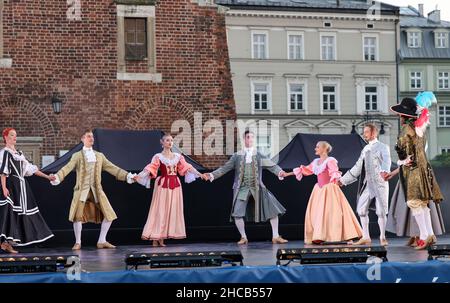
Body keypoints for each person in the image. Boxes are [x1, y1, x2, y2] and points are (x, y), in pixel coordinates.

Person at [50, 130, 136, 250]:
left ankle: (102, 240)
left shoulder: (99, 156)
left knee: (109, 214)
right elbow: (67, 168)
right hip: (82, 191)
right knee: (77, 216)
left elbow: (113, 168)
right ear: (82, 139)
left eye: (92, 137)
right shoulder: (77, 156)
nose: (91, 139)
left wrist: (128, 176)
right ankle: (78, 242)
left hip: (97, 190)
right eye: (89, 137)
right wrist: (58, 176)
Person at [203, 130, 289, 245]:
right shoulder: (236, 156)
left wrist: (280, 172)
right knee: (237, 213)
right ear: (244, 139)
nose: (250, 139)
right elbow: (224, 168)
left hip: (258, 188)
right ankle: (243, 237)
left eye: (252, 137)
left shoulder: (259, 155)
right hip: (242, 188)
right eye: (248, 137)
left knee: (272, 210)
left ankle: (275, 236)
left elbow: (272, 165)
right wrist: (212, 175)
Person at [388, 93, 444, 250]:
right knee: (423, 204)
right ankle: (429, 234)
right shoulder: (419, 128)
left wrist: (401, 161)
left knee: (414, 203)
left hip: (413, 170)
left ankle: (425, 236)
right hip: (425, 168)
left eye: (400, 114)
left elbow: (401, 149)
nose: (398, 116)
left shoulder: (406, 128)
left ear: (404, 115)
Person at [287, 141, 362, 245]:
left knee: (334, 213)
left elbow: (334, 172)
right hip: (319, 190)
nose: (315, 149)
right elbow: (304, 170)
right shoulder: (316, 162)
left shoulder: (330, 161)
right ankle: (320, 236)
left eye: (317, 147)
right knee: (318, 214)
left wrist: (337, 179)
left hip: (329, 189)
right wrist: (287, 174)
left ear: (324, 149)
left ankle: (347, 235)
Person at [136, 134, 204, 247]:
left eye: (171, 140)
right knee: (160, 210)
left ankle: (162, 237)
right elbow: (150, 168)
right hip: (163, 185)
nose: (170, 142)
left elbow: (187, 167)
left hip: (175, 186)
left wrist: (199, 174)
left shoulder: (178, 156)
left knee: (171, 211)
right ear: (161, 142)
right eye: (167, 140)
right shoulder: (158, 156)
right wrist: (139, 176)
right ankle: (155, 236)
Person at [0, 128, 55, 254]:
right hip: (11, 185)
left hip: (21, 187)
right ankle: (4, 242)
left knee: (22, 214)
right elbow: (3, 172)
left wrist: (47, 177)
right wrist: (4, 188)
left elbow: (31, 169)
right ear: (6, 137)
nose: (15, 137)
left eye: (16, 135)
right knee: (9, 213)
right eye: (12, 135)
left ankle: (8, 243)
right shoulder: (5, 153)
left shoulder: (19, 154)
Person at [338, 123, 391, 246]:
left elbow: (386, 161)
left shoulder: (383, 147)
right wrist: (343, 180)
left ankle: (382, 237)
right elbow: (357, 167)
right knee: (361, 209)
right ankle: (366, 236)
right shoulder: (365, 149)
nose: (364, 134)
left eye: (366, 132)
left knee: (381, 211)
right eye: (364, 132)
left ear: (373, 133)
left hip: (380, 183)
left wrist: (384, 172)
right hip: (367, 184)